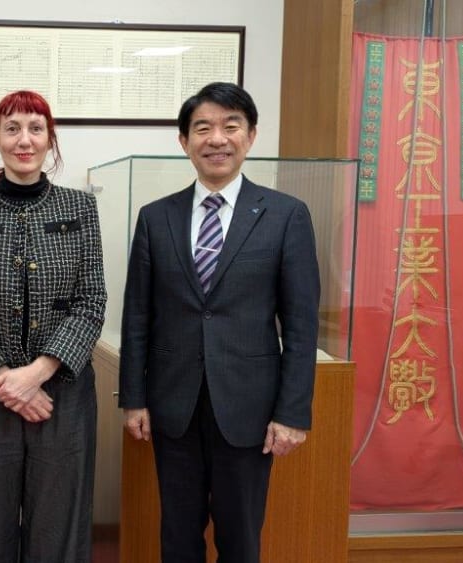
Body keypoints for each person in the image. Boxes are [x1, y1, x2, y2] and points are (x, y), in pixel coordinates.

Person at [119, 82, 321, 563]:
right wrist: (133, 398)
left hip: (250, 409)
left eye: (231, 126)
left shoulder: (286, 215)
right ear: (184, 141)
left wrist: (292, 413)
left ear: (250, 136)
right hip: (174, 406)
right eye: (202, 128)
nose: (217, 139)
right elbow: (137, 315)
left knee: (241, 537)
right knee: (178, 537)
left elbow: (299, 324)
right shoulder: (155, 217)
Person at [0, 90, 106, 562]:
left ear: (51, 139)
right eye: (12, 129)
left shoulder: (80, 209)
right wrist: (3, 379)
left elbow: (92, 300)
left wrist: (35, 376)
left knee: (59, 521)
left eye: (35, 128)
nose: (24, 140)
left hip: (64, 392)